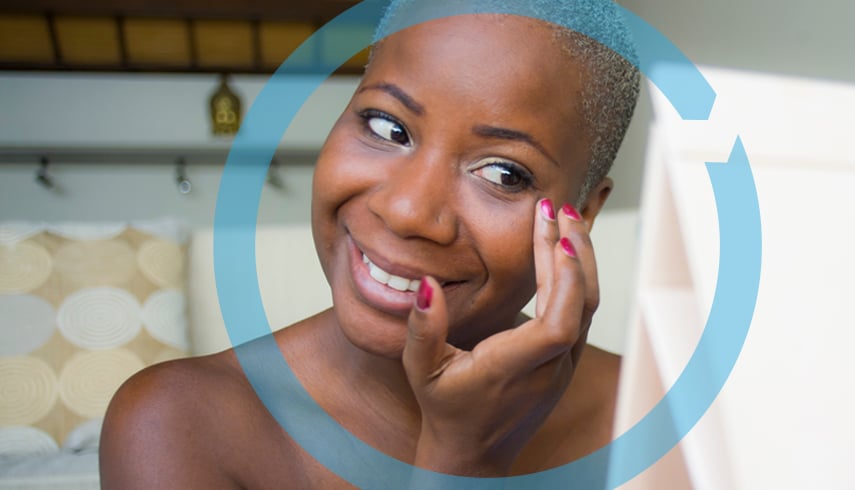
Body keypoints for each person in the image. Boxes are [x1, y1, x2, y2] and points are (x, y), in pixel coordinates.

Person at [99, 1, 641, 487]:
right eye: (387, 127)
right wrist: (462, 463)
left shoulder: (652, 414)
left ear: (585, 211)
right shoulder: (176, 425)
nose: (407, 211)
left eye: (503, 174)